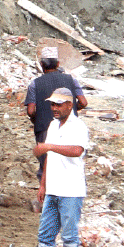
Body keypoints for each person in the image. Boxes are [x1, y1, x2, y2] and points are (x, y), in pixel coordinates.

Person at [21, 88, 90, 247]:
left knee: (69, 235)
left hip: (70, 190)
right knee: (45, 234)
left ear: (70, 105)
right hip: (53, 189)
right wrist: (42, 185)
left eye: (59, 104)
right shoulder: (53, 125)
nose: (54, 108)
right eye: (52, 104)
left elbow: (77, 150)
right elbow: (49, 159)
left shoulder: (78, 127)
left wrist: (48, 147)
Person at [24, 46, 86, 185]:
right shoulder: (71, 80)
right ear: (58, 64)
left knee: (46, 163)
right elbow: (83, 102)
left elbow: (30, 111)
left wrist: (37, 119)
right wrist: (70, 111)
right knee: (68, 163)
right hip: (68, 127)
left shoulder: (35, 84)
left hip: (44, 127)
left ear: (41, 65)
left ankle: (45, 200)